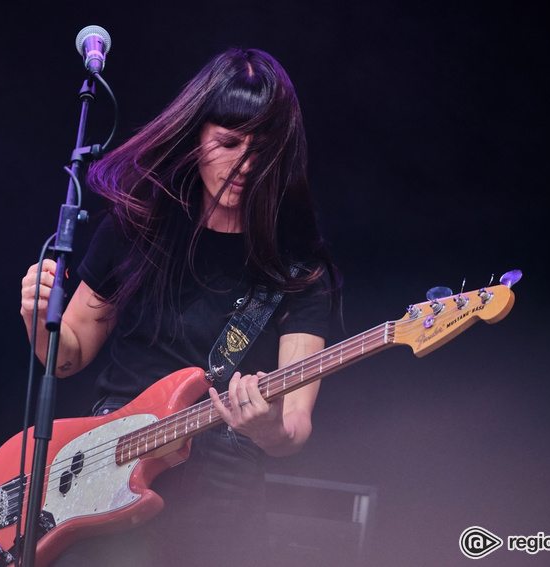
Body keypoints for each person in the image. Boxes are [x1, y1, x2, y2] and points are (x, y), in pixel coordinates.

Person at [20, 47, 341, 567]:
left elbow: (295, 426)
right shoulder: (137, 226)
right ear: (196, 135)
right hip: (106, 474)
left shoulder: (297, 269)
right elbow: (66, 357)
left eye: (262, 149)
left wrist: (268, 430)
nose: (244, 165)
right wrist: (38, 316)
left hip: (221, 505)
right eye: (228, 142)